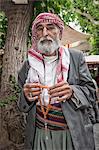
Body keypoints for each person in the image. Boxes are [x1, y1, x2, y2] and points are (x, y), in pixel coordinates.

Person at [18, 12, 97, 150]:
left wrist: (73, 91)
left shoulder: (75, 57)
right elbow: (22, 104)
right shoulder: (28, 64)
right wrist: (26, 96)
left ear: (59, 33)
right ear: (35, 35)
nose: (45, 33)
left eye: (50, 27)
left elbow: (91, 93)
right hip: (39, 136)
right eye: (39, 28)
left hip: (71, 135)